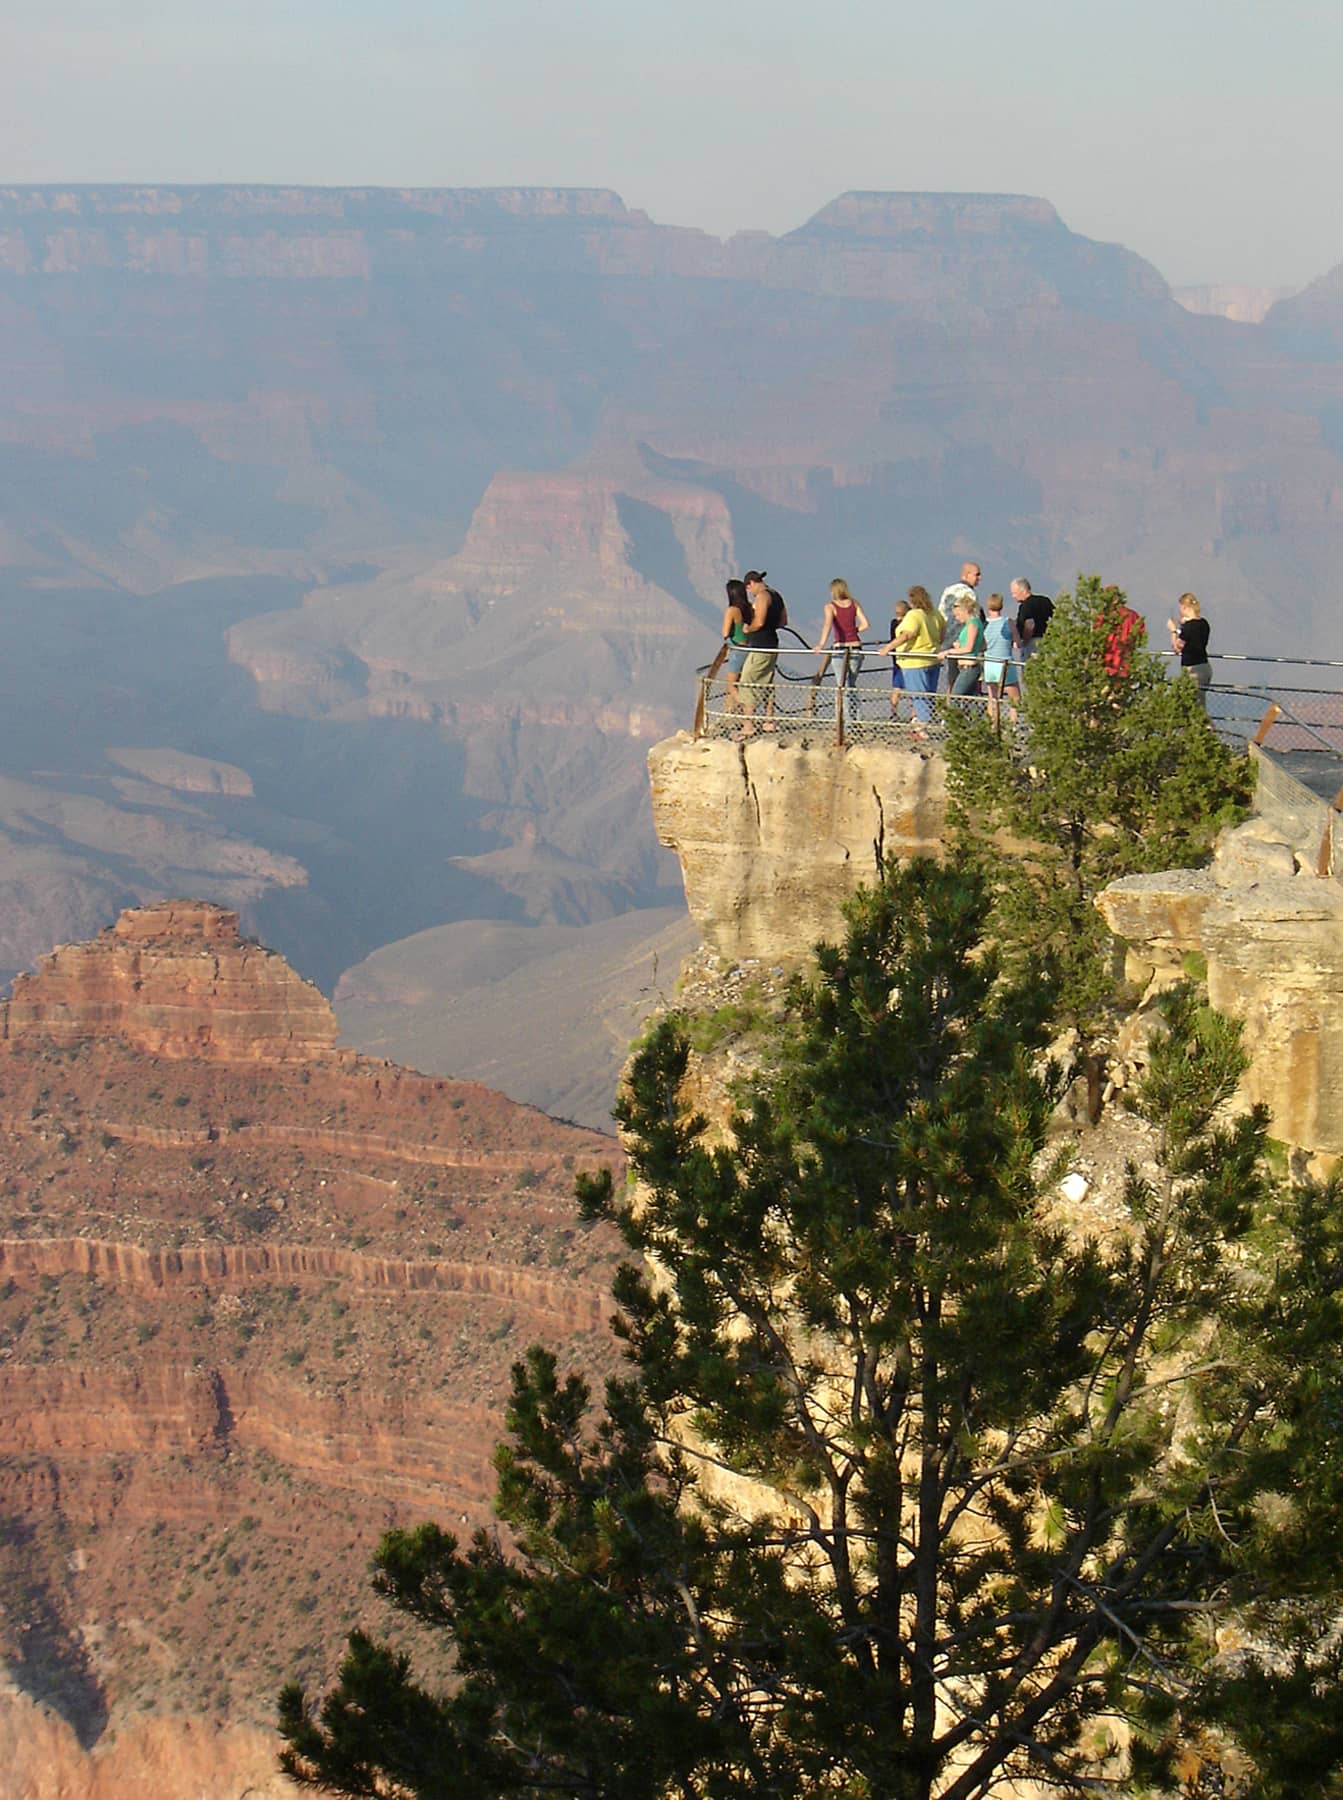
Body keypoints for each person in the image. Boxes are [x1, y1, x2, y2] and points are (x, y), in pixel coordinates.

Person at [884, 585, 944, 739]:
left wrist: (888, 648)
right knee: (929, 693)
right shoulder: (935, 614)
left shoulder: (914, 616)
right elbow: (942, 634)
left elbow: (906, 634)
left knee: (918, 695)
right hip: (932, 658)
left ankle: (922, 728)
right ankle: (922, 722)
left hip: (914, 661)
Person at [738, 569, 788, 738]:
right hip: (772, 644)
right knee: (767, 681)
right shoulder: (777, 595)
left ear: (751, 583)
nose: (750, 593)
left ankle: (748, 724)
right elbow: (783, 621)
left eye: (749, 589)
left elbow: (759, 622)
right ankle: (769, 720)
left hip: (760, 645)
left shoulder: (762, 597)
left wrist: (748, 628)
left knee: (747, 680)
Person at [815, 578, 869, 713]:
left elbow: (827, 625)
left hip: (840, 648)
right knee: (851, 684)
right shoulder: (854, 604)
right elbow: (865, 625)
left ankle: (847, 721)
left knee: (842, 685)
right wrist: (853, 630)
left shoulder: (830, 607)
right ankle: (857, 716)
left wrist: (821, 644)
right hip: (856, 647)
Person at [981, 592, 1020, 729]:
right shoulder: (1007, 622)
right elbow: (1017, 643)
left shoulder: (984, 624)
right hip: (1005, 664)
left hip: (989, 664)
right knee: (1014, 697)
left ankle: (992, 724)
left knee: (993, 698)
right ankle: (1012, 725)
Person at [1167, 591, 1211, 709]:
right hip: (1205, 666)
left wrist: (1173, 631)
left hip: (1193, 668)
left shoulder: (1189, 627)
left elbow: (1177, 648)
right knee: (1199, 702)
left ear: (1184, 607)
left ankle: (1206, 727)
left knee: (1195, 706)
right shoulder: (1204, 623)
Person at [939, 597, 985, 699]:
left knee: (954, 697)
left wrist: (949, 651)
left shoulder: (973, 624)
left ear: (965, 611)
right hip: (965, 667)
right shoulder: (971, 624)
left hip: (969, 668)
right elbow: (982, 645)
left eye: (958, 615)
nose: (957, 618)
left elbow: (969, 648)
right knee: (969, 700)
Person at [720, 578, 750, 720]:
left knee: (731, 685)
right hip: (750, 648)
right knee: (744, 683)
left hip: (737, 649)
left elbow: (725, 632)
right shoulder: (749, 608)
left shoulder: (732, 610)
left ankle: (747, 711)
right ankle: (738, 713)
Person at [1011, 578, 1053, 675]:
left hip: (1032, 644)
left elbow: (1029, 625)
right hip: (1047, 642)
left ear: (1023, 590)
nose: (1013, 596)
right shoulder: (1045, 601)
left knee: (1031, 673)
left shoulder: (1026, 606)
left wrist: (1024, 642)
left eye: (1014, 593)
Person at [886, 598, 911, 721]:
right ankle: (914, 713)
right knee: (912, 687)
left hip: (896, 658)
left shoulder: (893, 623)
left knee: (897, 687)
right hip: (908, 658)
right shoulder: (908, 624)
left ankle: (894, 712)